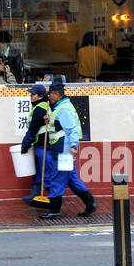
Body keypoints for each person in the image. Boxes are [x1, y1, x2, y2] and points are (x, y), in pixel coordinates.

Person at [48, 78, 95, 216]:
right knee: (71, 179)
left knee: (57, 178)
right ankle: (90, 203)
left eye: (50, 94)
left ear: (57, 95)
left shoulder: (63, 109)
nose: (49, 96)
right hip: (64, 150)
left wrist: (73, 147)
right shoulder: (62, 107)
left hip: (63, 151)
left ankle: (54, 210)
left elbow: (73, 130)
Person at [19, 84, 66, 217]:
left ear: (39, 96)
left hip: (44, 144)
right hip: (44, 144)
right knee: (42, 169)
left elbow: (33, 129)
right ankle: (38, 194)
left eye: (33, 94)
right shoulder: (43, 106)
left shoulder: (40, 108)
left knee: (47, 171)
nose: (30, 96)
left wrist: (25, 143)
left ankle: (52, 201)